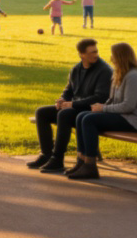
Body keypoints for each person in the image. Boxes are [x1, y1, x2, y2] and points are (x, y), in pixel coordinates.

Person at [28, 38, 112, 173]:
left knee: (65, 114)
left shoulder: (104, 70)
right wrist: (62, 99)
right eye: (91, 52)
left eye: (96, 51)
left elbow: (100, 97)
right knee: (41, 112)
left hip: (91, 110)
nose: (95, 55)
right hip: (75, 107)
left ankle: (57, 159)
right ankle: (46, 155)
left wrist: (72, 104)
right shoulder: (76, 69)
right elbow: (69, 90)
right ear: (81, 54)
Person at [69, 42, 137, 180]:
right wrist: (99, 107)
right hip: (121, 116)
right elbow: (112, 100)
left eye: (113, 55)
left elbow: (128, 106)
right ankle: (82, 161)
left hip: (134, 121)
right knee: (82, 116)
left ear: (120, 57)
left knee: (89, 119)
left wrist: (103, 109)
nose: (111, 58)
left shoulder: (133, 76)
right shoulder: (119, 73)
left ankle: (90, 166)